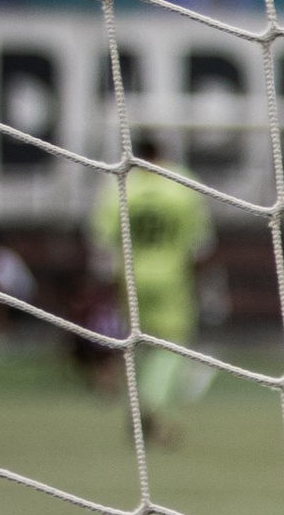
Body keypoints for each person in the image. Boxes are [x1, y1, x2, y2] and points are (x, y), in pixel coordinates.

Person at [87, 146, 214, 449]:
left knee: (137, 344)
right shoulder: (180, 183)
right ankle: (151, 403)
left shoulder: (119, 185)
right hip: (171, 276)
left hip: (129, 276)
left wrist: (106, 281)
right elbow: (200, 243)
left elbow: (101, 239)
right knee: (171, 345)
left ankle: (123, 385)